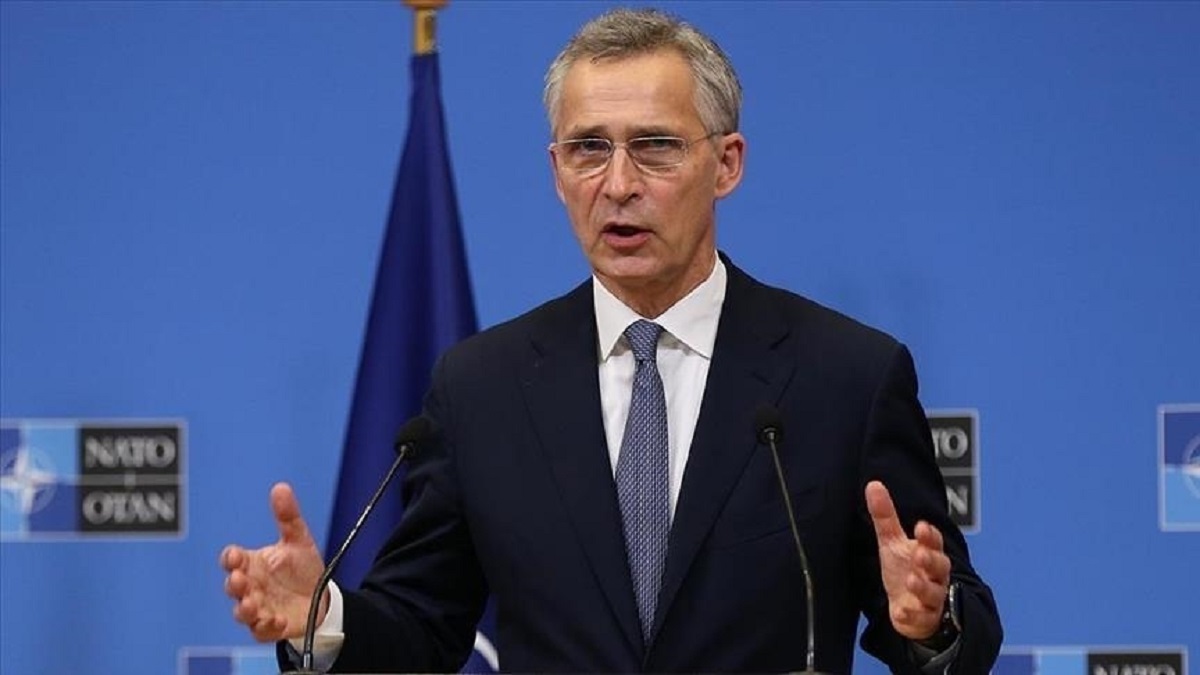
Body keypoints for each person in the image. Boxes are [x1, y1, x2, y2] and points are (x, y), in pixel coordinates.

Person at [221, 8, 1002, 673]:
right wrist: (323, 618)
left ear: (726, 164)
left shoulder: (845, 376)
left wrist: (931, 620)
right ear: (556, 170)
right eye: (588, 148)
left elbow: (958, 622)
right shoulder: (482, 387)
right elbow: (422, 626)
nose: (619, 184)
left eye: (655, 145)